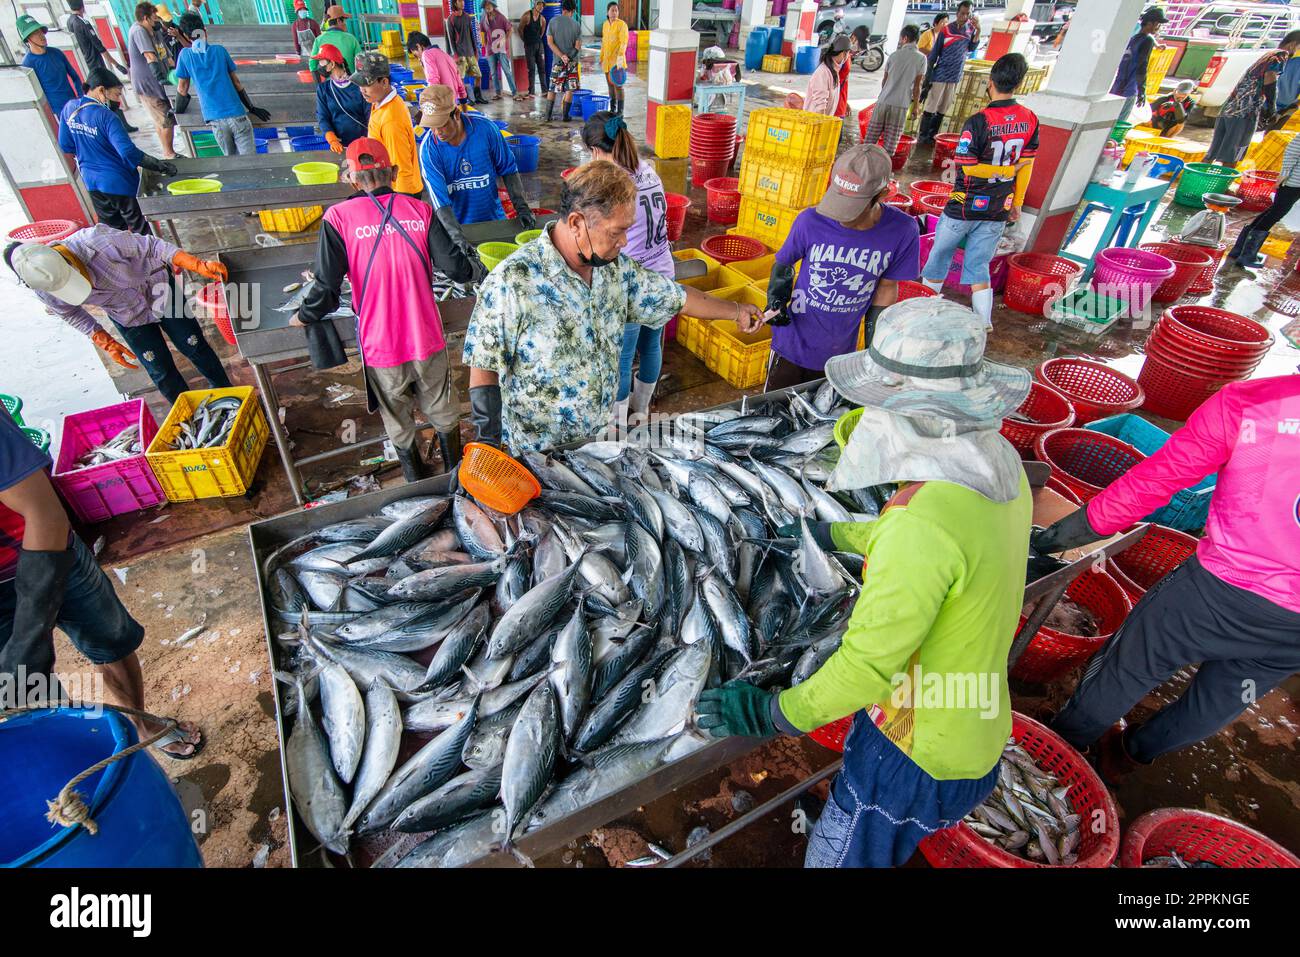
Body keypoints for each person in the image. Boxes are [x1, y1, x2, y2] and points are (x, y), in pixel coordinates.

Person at [695, 297, 1034, 868]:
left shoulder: (920, 527)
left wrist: (773, 715)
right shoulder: (998, 468)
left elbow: (864, 669)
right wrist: (841, 538)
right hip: (973, 723)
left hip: (912, 752)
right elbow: (946, 548)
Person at [1032, 374, 1300, 783]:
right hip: (1291, 631)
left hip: (1217, 591)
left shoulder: (1258, 402)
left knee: (1130, 667)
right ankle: (1130, 754)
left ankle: (1062, 746)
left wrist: (1062, 535)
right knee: (1222, 700)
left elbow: (1156, 481)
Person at [463, 161, 761, 453]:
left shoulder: (616, 270)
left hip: (599, 441)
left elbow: (674, 296)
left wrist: (735, 311)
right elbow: (483, 364)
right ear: (577, 223)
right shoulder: (513, 280)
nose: (624, 241)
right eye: (616, 231)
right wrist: (487, 444)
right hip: (538, 452)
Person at [0, 412, 203, 759]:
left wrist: (29, 633)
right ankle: (81, 764)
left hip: (49, 553)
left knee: (111, 641)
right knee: (30, 699)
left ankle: (141, 722)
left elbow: (44, 514)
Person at [298, 138, 482, 481]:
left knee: (397, 418)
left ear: (350, 179)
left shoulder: (337, 218)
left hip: (380, 344)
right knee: (442, 409)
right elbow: (456, 270)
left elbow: (326, 287)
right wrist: (477, 269)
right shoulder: (421, 210)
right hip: (426, 335)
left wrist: (304, 315)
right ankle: (456, 479)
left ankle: (415, 481)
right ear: (394, 173)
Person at [752, 145, 919, 391]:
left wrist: (875, 347)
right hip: (792, 343)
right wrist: (777, 299)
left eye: (852, 207)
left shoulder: (902, 231)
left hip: (841, 348)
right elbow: (785, 262)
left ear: (883, 194)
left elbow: (886, 287)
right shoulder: (810, 221)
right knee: (776, 405)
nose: (840, 215)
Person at [5, 225, 230, 404]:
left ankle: (228, 395)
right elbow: (70, 313)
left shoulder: (96, 241)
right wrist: (105, 341)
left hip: (157, 287)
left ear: (65, 259)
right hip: (126, 314)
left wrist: (195, 264)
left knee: (193, 344)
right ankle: (187, 416)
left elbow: (152, 246)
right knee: (159, 368)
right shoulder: (45, 288)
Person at [921, 53, 1038, 328]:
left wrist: (1007, 171)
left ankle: (924, 313)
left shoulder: (978, 121)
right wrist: (1017, 200)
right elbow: (1028, 164)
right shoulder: (1030, 119)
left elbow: (970, 167)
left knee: (939, 258)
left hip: (963, 206)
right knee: (979, 265)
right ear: (1018, 84)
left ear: (990, 81)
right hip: (998, 208)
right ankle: (983, 322)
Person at [581, 111, 674, 427]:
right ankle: (642, 411)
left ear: (595, 151)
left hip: (631, 283)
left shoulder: (611, 183)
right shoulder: (648, 171)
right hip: (663, 274)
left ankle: (618, 426)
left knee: (620, 360)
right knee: (651, 346)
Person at [417, 83, 535, 254]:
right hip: (459, 228)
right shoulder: (429, 150)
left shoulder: (485, 129)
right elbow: (440, 202)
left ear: (456, 114)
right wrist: (458, 240)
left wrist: (522, 207)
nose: (437, 132)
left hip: (494, 221)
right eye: (431, 126)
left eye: (441, 124)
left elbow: (508, 169)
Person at [58, 68, 177, 235]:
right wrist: (159, 165)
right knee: (141, 233)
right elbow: (127, 152)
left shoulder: (69, 108)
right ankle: (156, 261)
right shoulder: (106, 116)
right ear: (101, 90)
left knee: (114, 235)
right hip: (120, 183)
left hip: (92, 184)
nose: (119, 100)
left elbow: (66, 145)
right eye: (116, 94)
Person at [174, 13, 272, 156]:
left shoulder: (185, 55)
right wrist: (251, 107)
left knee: (231, 164)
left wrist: (176, 111)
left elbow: (182, 88)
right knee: (251, 163)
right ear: (204, 31)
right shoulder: (219, 50)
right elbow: (236, 82)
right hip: (238, 116)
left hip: (216, 120)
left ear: (186, 35)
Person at [1204, 31, 1300, 167]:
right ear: (1293, 45)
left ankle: (1194, 181)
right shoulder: (1281, 55)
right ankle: (1222, 187)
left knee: (1212, 153)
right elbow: (1270, 78)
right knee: (1234, 154)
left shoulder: (1268, 54)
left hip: (1229, 109)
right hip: (1245, 112)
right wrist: (1271, 108)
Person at [353, 52, 424, 199]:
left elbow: (402, 167)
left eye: (367, 84)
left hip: (401, 192)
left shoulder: (391, 121)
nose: (362, 90)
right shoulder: (380, 102)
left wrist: (401, 202)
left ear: (384, 82)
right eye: (360, 85)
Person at [1226, 133, 1300, 270]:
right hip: (1292, 182)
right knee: (1275, 214)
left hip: (1295, 182)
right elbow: (1291, 153)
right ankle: (1247, 255)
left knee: (1273, 211)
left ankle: (1240, 250)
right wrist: (1284, 175)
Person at [65, 0, 136, 132]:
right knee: (110, 93)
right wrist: (116, 64)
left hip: (86, 67)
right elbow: (99, 47)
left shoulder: (70, 22)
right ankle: (122, 125)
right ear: (82, 6)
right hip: (96, 66)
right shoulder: (83, 23)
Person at [918, 0, 977, 144]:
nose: (964, 17)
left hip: (955, 76)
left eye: (967, 14)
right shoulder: (947, 30)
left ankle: (932, 136)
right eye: (962, 13)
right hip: (941, 74)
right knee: (932, 105)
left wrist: (979, 30)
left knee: (943, 107)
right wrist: (928, 77)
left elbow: (972, 48)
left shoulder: (971, 30)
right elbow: (933, 55)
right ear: (957, 13)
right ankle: (923, 137)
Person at [863, 24, 927, 155]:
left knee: (869, 143)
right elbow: (917, 86)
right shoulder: (921, 58)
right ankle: (883, 171)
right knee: (889, 148)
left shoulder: (893, 55)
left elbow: (884, 81)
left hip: (883, 102)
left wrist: (885, 94)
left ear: (904, 38)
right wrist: (916, 106)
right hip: (900, 105)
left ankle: (863, 167)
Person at [126, 3, 178, 159]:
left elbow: (167, 57)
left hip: (159, 84)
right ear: (145, 18)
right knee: (165, 118)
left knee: (161, 119)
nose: (157, 22)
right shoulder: (139, 31)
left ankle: (167, 151)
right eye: (154, 19)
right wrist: (160, 77)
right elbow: (150, 56)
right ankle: (169, 153)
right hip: (148, 85)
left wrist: (176, 72)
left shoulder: (154, 32)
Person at [17, 15, 84, 121]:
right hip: (57, 114)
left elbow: (75, 77)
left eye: (40, 31)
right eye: (35, 33)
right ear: (28, 39)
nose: (41, 36)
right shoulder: (28, 64)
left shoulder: (56, 53)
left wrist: (81, 98)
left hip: (75, 106)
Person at [1110, 7, 1167, 126]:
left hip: (1118, 85)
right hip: (1130, 87)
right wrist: (1142, 90)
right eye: (1157, 24)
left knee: (1111, 119)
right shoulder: (1147, 40)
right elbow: (1142, 65)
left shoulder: (1134, 39)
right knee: (1119, 122)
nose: (1158, 28)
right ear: (1150, 23)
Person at [313, 43, 368, 152]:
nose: (319, 65)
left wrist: (369, 137)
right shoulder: (324, 89)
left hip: (363, 144)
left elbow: (370, 114)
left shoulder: (359, 86)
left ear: (332, 64)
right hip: (339, 147)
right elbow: (322, 116)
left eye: (322, 61)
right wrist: (331, 138)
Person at [545, 0, 583, 122]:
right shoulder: (576, 25)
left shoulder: (552, 22)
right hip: (572, 62)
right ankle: (565, 116)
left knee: (553, 88)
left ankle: (547, 116)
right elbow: (577, 46)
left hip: (557, 62)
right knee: (569, 89)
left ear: (563, 9)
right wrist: (568, 57)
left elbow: (550, 42)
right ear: (572, 11)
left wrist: (562, 56)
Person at [406, 32, 467, 104]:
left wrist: (430, 103)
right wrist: (464, 106)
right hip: (452, 103)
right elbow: (460, 84)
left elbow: (433, 81)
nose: (418, 58)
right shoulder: (446, 56)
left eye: (415, 55)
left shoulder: (426, 54)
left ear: (418, 46)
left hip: (441, 104)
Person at [448, 0, 488, 106]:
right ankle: (465, 98)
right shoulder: (451, 19)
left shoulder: (467, 17)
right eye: (460, 1)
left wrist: (476, 51)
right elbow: (451, 39)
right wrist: (455, 55)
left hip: (471, 52)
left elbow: (472, 34)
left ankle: (478, 96)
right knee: (461, 78)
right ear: (455, 3)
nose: (463, 3)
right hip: (460, 54)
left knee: (478, 75)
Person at [481, 1, 520, 100]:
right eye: (486, 6)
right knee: (493, 73)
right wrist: (484, 45)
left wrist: (504, 40)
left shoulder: (500, 17)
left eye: (489, 5)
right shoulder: (483, 17)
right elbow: (482, 31)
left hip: (501, 49)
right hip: (490, 49)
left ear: (493, 6)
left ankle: (515, 93)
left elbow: (510, 29)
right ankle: (498, 93)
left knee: (507, 71)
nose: (488, 7)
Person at [804, 36, 850, 117]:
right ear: (844, 53)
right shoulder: (823, 72)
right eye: (848, 53)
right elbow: (820, 106)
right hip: (813, 123)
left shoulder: (834, 71)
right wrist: (823, 125)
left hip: (824, 120)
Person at [308, 5, 360, 74]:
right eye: (344, 21)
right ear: (338, 21)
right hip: (350, 82)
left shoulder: (319, 39)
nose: (345, 23)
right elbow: (360, 62)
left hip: (329, 83)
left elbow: (312, 65)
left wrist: (319, 83)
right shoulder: (351, 39)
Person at [600, 2, 628, 115]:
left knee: (618, 86)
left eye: (616, 10)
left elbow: (623, 42)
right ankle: (612, 109)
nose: (615, 12)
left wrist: (619, 61)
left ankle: (620, 111)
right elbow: (603, 42)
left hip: (617, 63)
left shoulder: (622, 25)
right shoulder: (605, 24)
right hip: (607, 62)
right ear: (607, 12)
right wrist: (601, 57)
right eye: (612, 10)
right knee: (610, 86)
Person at [697, 45, 740, 113]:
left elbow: (702, 78)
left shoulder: (720, 68)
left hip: (713, 94)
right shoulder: (726, 67)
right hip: (714, 93)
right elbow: (703, 77)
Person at [519, 0, 548, 97]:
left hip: (539, 46)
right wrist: (526, 41)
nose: (541, 7)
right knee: (531, 69)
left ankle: (544, 90)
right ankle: (531, 92)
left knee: (542, 68)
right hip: (529, 46)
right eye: (539, 4)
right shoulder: (527, 16)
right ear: (535, 5)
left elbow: (542, 33)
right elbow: (520, 29)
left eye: (542, 6)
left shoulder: (542, 19)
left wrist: (536, 41)